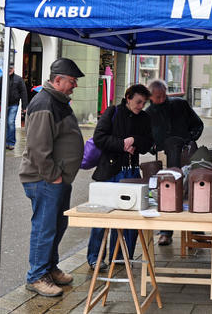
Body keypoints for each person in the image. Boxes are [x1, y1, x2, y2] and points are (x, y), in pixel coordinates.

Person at [19, 58, 85, 297]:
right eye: (72, 81)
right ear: (58, 80)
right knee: (45, 228)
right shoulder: (44, 102)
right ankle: (36, 276)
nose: (74, 85)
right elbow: (38, 147)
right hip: (45, 179)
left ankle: (49, 268)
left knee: (57, 225)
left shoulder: (57, 101)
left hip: (56, 179)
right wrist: (53, 176)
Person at [86, 84, 154, 271]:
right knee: (102, 217)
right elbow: (99, 138)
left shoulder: (145, 118)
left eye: (144, 103)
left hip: (131, 172)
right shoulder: (113, 112)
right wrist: (122, 144)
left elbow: (148, 142)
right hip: (110, 171)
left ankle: (121, 256)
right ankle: (95, 259)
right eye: (138, 102)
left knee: (129, 218)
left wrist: (135, 141)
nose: (141, 106)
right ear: (128, 97)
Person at [146, 79, 204, 246]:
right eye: (158, 97)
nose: (162, 99)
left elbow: (198, 124)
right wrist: (153, 147)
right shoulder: (148, 113)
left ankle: (196, 229)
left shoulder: (180, 104)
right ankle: (166, 232)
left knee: (193, 192)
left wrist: (190, 140)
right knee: (166, 195)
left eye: (164, 95)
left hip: (187, 155)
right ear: (151, 96)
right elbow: (147, 139)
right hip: (167, 160)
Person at [0, 64, 28, 150]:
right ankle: (6, 142)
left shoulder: (19, 79)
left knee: (10, 122)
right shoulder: (2, 79)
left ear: (14, 69)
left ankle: (11, 142)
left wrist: (24, 106)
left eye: (11, 68)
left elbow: (23, 92)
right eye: (8, 68)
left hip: (14, 104)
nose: (9, 70)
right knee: (5, 124)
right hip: (3, 104)